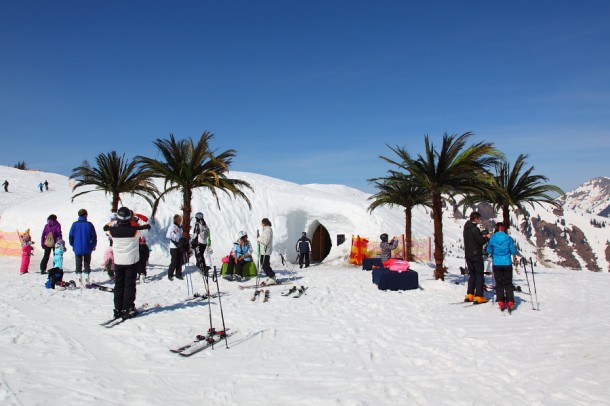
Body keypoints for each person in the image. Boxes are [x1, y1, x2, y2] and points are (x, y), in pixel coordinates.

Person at [103, 207, 150, 319]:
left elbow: (105, 227)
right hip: (131, 261)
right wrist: (135, 218)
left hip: (118, 261)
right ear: (129, 217)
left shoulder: (112, 231)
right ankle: (128, 307)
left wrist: (114, 221)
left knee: (119, 285)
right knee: (129, 285)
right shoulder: (135, 230)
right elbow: (147, 226)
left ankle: (118, 308)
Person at [486, 222, 518, 312]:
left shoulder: (492, 239)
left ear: (496, 229)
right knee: (508, 282)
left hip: (496, 263)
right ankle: (510, 301)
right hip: (507, 263)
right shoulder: (508, 238)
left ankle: (500, 301)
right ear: (504, 229)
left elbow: (488, 250)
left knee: (499, 282)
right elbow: (513, 251)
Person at [463, 211, 490, 304]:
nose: (479, 220)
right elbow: (480, 241)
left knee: (472, 274)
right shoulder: (475, 229)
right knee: (479, 274)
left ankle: (470, 294)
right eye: (479, 219)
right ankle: (479, 295)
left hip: (468, 254)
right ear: (476, 219)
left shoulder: (466, 228)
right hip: (476, 254)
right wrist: (487, 237)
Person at [68, 208, 98, 284]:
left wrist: (73, 245)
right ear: (85, 215)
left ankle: (79, 278)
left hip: (77, 247)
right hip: (87, 246)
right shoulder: (89, 224)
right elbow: (94, 236)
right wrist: (93, 245)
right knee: (87, 263)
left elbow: (71, 236)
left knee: (78, 263)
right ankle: (87, 278)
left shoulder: (74, 224)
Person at [166, 214, 184, 281]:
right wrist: (174, 232)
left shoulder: (179, 227)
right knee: (174, 261)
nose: (181, 221)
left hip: (179, 246)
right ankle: (170, 274)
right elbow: (168, 236)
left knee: (179, 261)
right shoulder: (172, 227)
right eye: (180, 220)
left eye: (181, 220)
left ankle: (178, 274)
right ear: (176, 220)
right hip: (173, 247)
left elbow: (179, 236)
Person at [257, 218, 276, 283]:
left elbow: (265, 241)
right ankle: (271, 276)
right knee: (265, 264)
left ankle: (272, 277)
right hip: (264, 251)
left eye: (262, 223)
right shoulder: (266, 230)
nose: (261, 224)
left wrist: (259, 239)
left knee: (264, 265)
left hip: (265, 251)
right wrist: (260, 238)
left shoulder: (267, 230)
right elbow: (264, 239)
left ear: (264, 223)